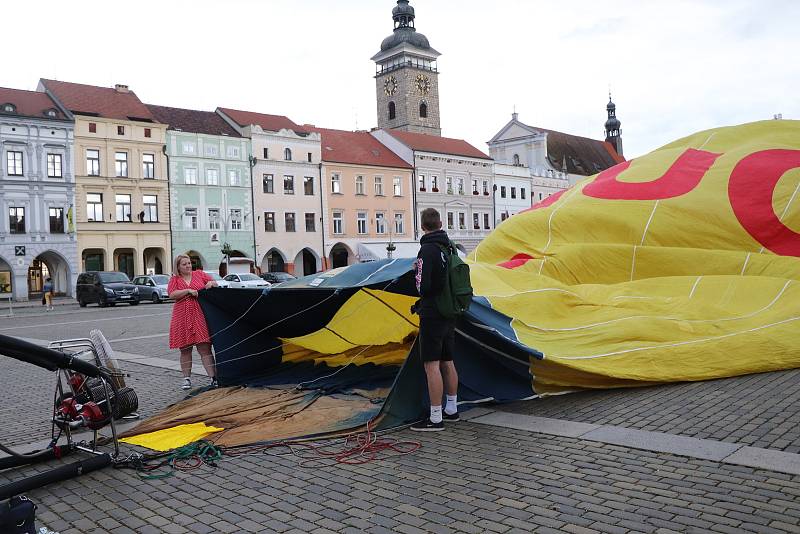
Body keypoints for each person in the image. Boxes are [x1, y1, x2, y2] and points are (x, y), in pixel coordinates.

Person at [410, 208, 460, 431]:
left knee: (431, 365)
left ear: (423, 226)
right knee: (447, 361)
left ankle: (435, 417)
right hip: (449, 311)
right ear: (440, 223)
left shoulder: (426, 250)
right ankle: (452, 409)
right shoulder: (449, 247)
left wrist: (416, 272)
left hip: (432, 313)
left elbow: (422, 287)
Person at [168, 255, 219, 389]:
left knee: (204, 347)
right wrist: (187, 291)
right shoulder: (175, 279)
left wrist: (210, 283)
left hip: (199, 314)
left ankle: (213, 377)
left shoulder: (199, 274)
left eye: (189, 263)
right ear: (178, 267)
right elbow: (172, 294)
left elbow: (215, 283)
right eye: (184, 264)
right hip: (182, 316)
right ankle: (186, 379)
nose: (188, 266)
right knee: (185, 349)